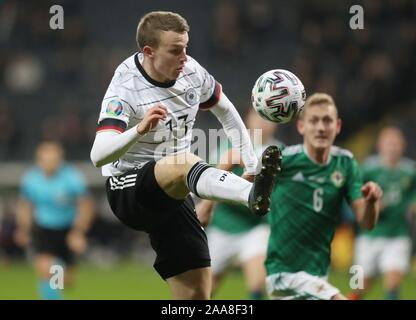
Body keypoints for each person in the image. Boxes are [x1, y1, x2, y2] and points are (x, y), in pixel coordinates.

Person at [89, 11, 281, 300]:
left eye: (186, 48)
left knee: (197, 294)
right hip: (127, 188)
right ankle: (250, 195)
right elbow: (98, 155)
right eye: (175, 50)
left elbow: (226, 112)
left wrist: (252, 163)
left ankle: (251, 189)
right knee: (185, 161)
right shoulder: (124, 87)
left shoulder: (191, 72)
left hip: (174, 192)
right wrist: (138, 130)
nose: (184, 57)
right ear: (149, 52)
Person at [264, 93, 383, 300]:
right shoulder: (283, 159)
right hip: (283, 273)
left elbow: (366, 222)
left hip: (319, 274)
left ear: (337, 126)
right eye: (314, 120)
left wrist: (372, 202)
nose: (321, 127)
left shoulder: (345, 164)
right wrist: (207, 205)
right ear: (301, 127)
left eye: (327, 121)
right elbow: (237, 160)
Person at [197, 108, 281, 299]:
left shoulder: (279, 152)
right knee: (205, 290)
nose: (263, 123)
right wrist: (206, 205)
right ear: (247, 120)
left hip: (255, 227)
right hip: (222, 225)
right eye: (258, 117)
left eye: (268, 119)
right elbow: (211, 181)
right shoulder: (228, 147)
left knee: (258, 282)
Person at [15, 141, 95, 300]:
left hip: (67, 230)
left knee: (66, 281)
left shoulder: (72, 177)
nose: (50, 164)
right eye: (46, 160)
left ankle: (58, 278)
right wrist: (23, 228)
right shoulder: (31, 179)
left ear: (60, 160)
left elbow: (86, 205)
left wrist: (78, 232)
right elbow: (25, 206)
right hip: (43, 229)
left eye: (54, 160)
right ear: (39, 160)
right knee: (47, 270)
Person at [348, 126, 416, 300]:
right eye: (389, 143)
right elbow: (354, 194)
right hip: (368, 236)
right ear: (380, 145)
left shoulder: (411, 171)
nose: (392, 147)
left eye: (396, 143)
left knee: (392, 282)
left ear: (403, 145)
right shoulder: (368, 169)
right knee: (359, 285)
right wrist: (371, 204)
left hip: (397, 235)